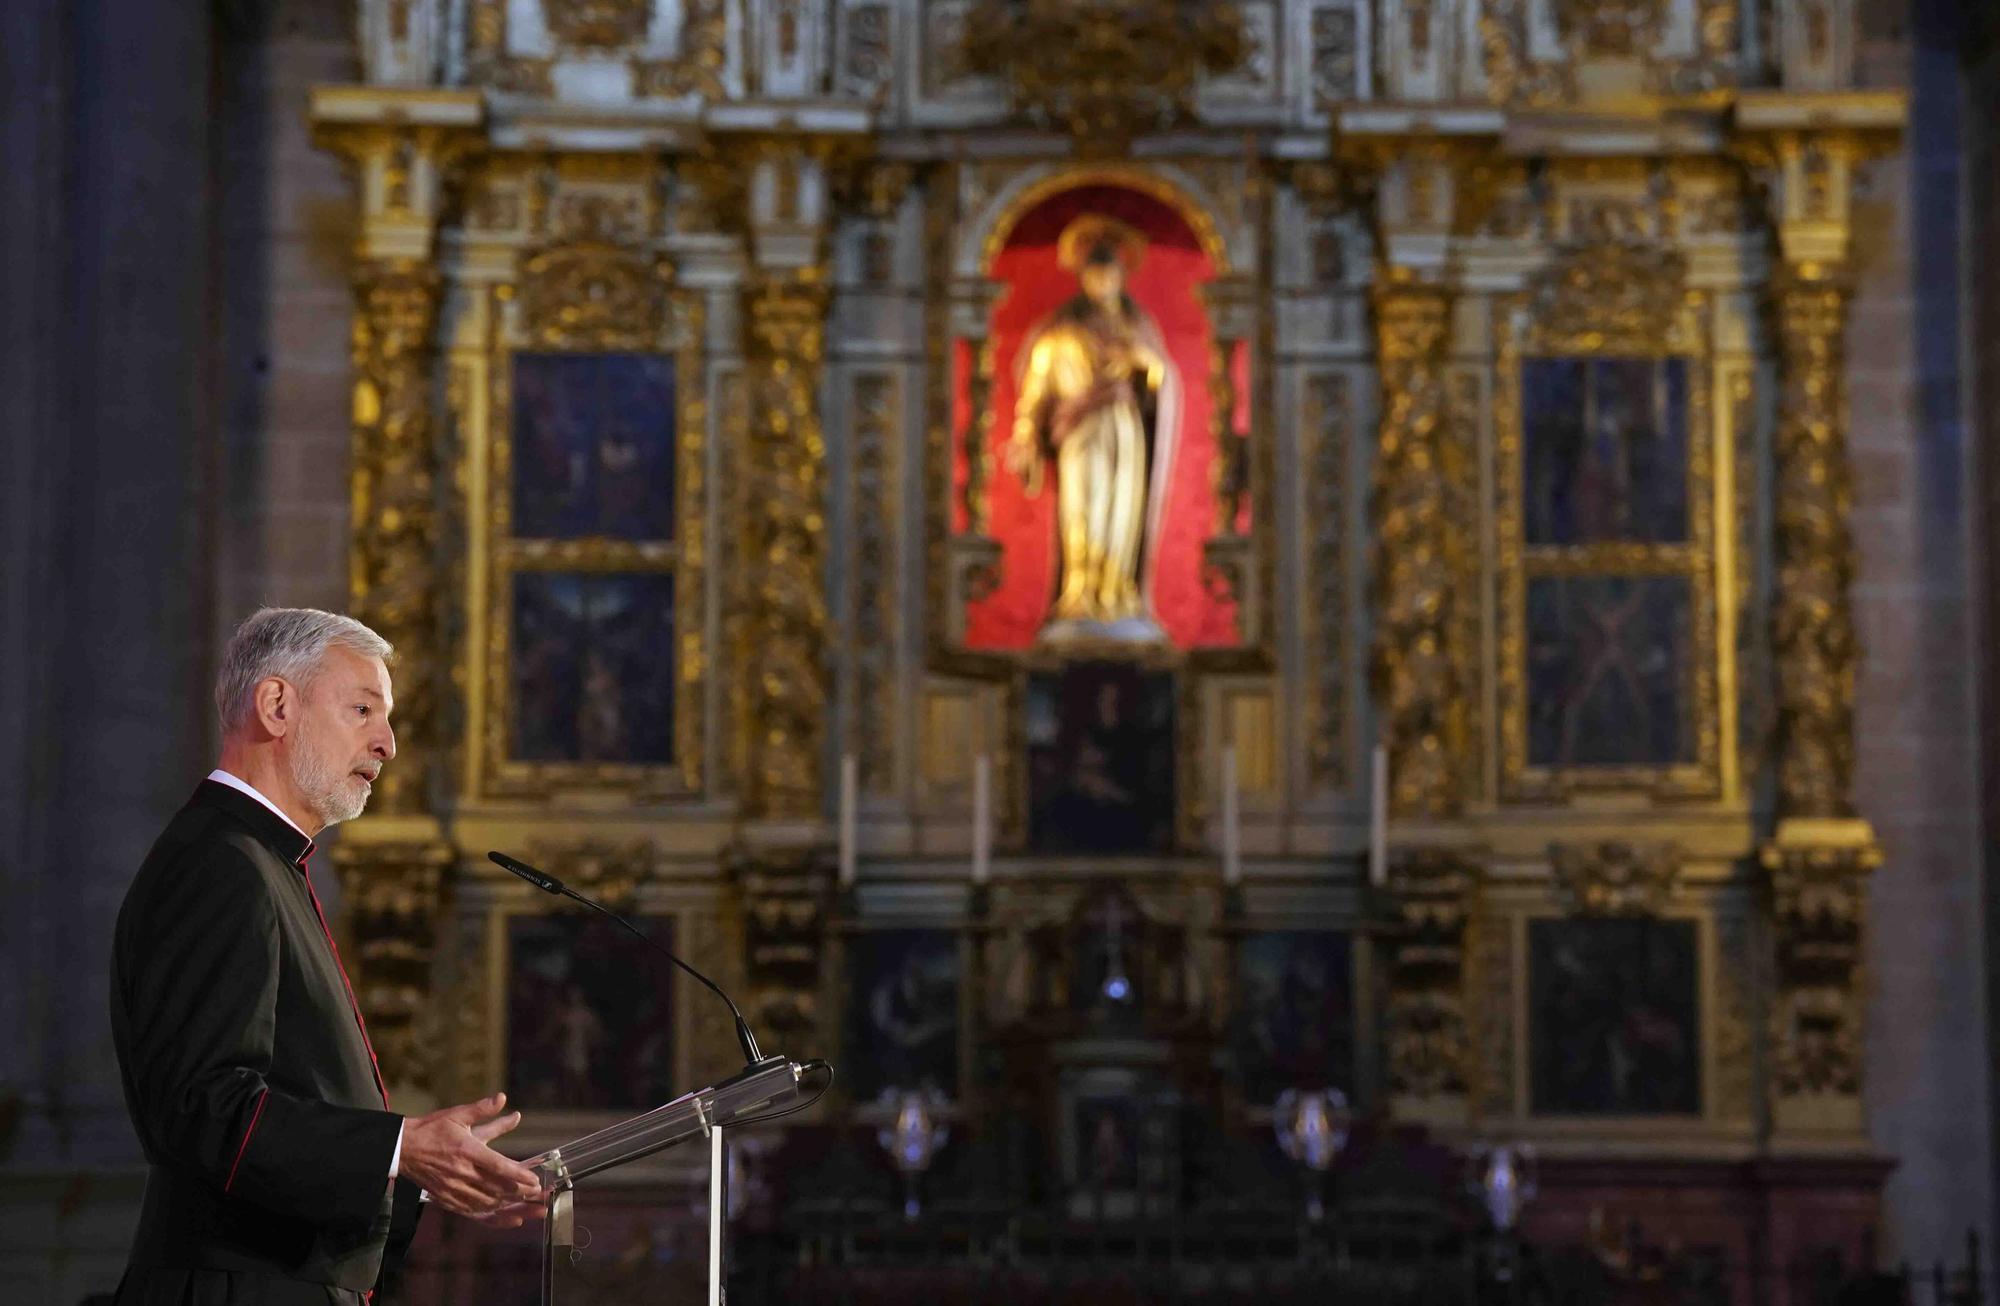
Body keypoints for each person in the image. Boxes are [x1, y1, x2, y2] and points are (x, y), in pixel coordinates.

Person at [110, 608, 545, 1305]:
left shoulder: (261, 861)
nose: (390, 744)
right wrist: (401, 1147)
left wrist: (421, 1182)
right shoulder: (221, 866)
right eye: (363, 708)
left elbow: (284, 1107)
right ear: (278, 705)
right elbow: (206, 1106)